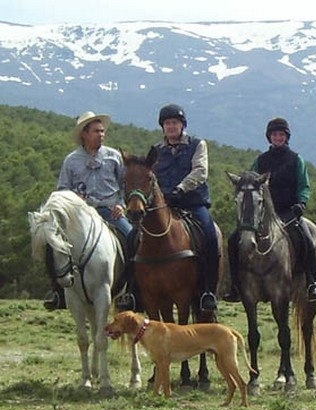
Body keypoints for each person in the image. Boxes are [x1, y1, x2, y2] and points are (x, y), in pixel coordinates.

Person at [224, 117, 316, 302]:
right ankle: (236, 285)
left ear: (286, 137)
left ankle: (312, 283)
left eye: (281, 134)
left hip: (288, 211)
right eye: (274, 134)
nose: (278, 137)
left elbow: (304, 185)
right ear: (269, 137)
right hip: (262, 213)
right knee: (233, 240)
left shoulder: (296, 159)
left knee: (306, 237)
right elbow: (251, 183)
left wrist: (301, 203)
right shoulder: (261, 160)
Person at [45, 111, 135, 310]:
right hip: (81, 216)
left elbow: (124, 186)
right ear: (84, 134)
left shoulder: (114, 157)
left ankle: (133, 290)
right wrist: (74, 200)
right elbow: (62, 189)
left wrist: (121, 204)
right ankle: (57, 291)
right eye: (96, 131)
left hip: (110, 211)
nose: (101, 135)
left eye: (102, 131)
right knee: (53, 245)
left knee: (133, 238)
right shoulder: (71, 160)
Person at [145, 103, 219, 311]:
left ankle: (208, 291)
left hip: (192, 203)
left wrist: (181, 189)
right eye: (167, 123)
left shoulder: (197, 145)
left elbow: (200, 171)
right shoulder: (156, 151)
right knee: (136, 237)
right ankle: (135, 292)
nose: (170, 126)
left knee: (211, 237)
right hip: (163, 207)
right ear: (162, 127)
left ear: (182, 125)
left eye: (174, 122)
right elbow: (148, 176)